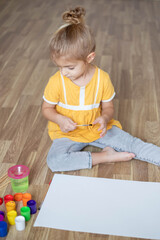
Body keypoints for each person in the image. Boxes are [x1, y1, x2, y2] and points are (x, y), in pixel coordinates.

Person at [42, 7, 160, 172]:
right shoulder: (56, 81)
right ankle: (105, 156)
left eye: (69, 67)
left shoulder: (102, 78)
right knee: (54, 161)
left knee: (134, 144)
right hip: (67, 135)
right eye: (60, 67)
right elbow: (47, 109)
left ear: (89, 58)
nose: (63, 72)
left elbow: (109, 107)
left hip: (99, 130)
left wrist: (104, 119)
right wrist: (60, 120)